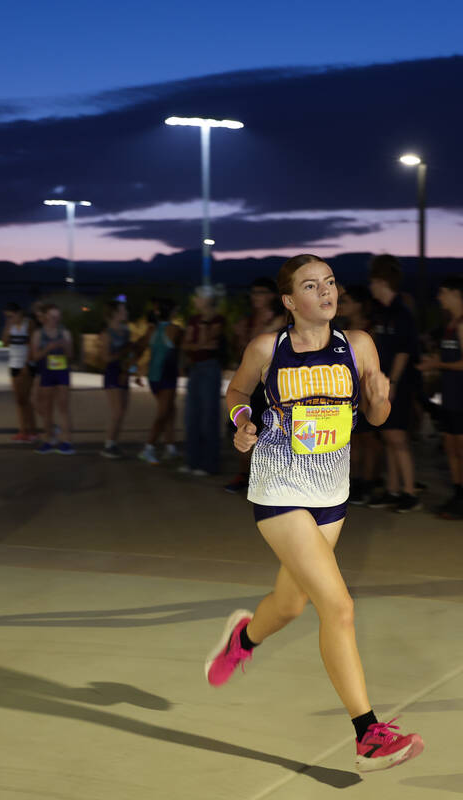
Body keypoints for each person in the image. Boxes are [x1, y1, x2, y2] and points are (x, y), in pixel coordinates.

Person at [207, 254, 424, 773]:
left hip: (331, 493)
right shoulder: (267, 349)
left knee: (290, 605)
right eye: (311, 285)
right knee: (339, 607)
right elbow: (236, 393)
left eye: (329, 282)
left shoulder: (360, 345)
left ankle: (244, 638)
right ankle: (368, 734)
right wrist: (242, 422)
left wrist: (380, 399)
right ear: (290, 301)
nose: (326, 292)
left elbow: (375, 415)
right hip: (278, 487)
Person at [418, 275, 463, 519]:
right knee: (452, 446)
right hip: (451, 394)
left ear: (456, 294)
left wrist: (438, 363)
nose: (439, 297)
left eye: (443, 292)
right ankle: (458, 494)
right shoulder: (451, 324)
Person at [365, 255, 421, 512]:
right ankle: (393, 489)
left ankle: (409, 493)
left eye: (373, 281)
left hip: (398, 382)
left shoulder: (401, 313)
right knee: (387, 436)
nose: (371, 287)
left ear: (382, 281)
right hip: (382, 381)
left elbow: (404, 351)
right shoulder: (381, 312)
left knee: (397, 438)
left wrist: (394, 382)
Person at [225, 278, 286, 493]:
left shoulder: (282, 320)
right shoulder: (249, 320)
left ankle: (265, 477)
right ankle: (245, 474)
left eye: (261, 292)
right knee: (244, 426)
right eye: (253, 292)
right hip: (252, 381)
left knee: (271, 429)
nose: (256, 296)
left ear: (272, 295)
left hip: (272, 382)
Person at [337, 284, 381, 505]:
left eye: (345, 302)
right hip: (347, 392)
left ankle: (368, 481)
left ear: (358, 306)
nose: (340, 305)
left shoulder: (368, 331)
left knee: (368, 438)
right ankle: (354, 481)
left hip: (364, 391)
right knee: (353, 438)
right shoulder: (342, 329)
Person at [181, 285, 227, 476]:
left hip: (210, 367)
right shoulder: (195, 320)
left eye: (198, 297)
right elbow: (188, 344)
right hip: (197, 368)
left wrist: (197, 341)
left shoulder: (217, 320)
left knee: (209, 416)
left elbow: (211, 343)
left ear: (207, 300)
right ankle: (192, 462)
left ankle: (208, 464)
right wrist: (199, 343)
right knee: (192, 415)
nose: (195, 301)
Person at [138, 298, 182, 465]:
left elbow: (139, 348)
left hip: (153, 378)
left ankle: (170, 447)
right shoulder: (176, 330)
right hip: (167, 377)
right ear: (171, 312)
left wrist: (133, 369)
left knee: (170, 410)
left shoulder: (152, 330)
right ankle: (148, 448)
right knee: (163, 413)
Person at [30, 303, 75, 455]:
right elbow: (35, 356)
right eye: (52, 316)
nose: (55, 319)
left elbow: (70, 356)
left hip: (62, 373)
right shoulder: (38, 334)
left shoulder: (65, 333)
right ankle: (48, 440)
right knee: (47, 408)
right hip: (46, 372)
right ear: (45, 317)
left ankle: (67, 441)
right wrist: (47, 349)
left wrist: (64, 346)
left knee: (63, 407)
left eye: (57, 316)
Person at [99, 299, 134, 458]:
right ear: (114, 314)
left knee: (122, 411)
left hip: (124, 372)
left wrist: (131, 370)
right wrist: (122, 353)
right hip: (112, 372)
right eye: (122, 310)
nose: (126, 312)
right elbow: (105, 357)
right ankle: (108, 445)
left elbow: (131, 354)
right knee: (117, 411)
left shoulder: (126, 331)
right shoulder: (106, 334)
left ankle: (113, 444)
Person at [1, 302, 37, 442]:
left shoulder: (29, 324)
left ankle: (32, 431)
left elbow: (32, 345)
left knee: (26, 399)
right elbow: (4, 343)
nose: (9, 318)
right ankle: (23, 431)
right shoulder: (10, 325)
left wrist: (26, 365)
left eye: (11, 315)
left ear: (19, 313)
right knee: (19, 400)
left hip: (26, 365)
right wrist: (8, 327)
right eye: (7, 317)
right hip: (13, 364)